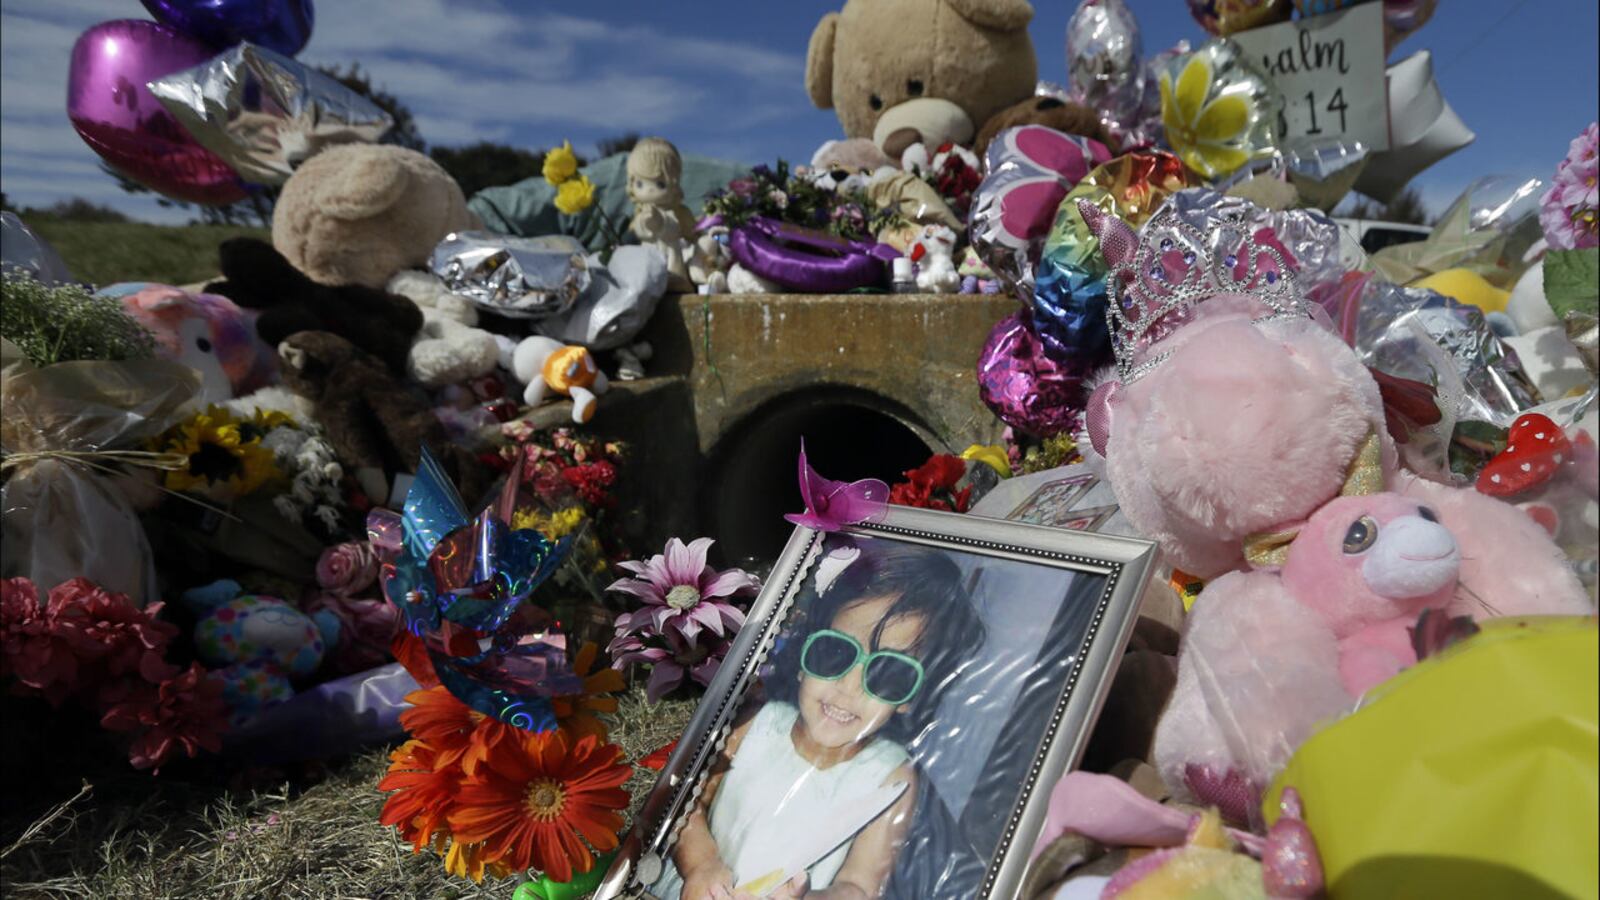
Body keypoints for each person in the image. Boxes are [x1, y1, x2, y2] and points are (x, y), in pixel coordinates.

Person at [654, 540, 986, 900]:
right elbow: (687, 805)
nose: (849, 687)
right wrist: (701, 864)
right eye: (835, 652)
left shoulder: (892, 780)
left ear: (912, 697)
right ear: (803, 653)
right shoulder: (756, 724)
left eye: (889, 673)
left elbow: (858, 886)